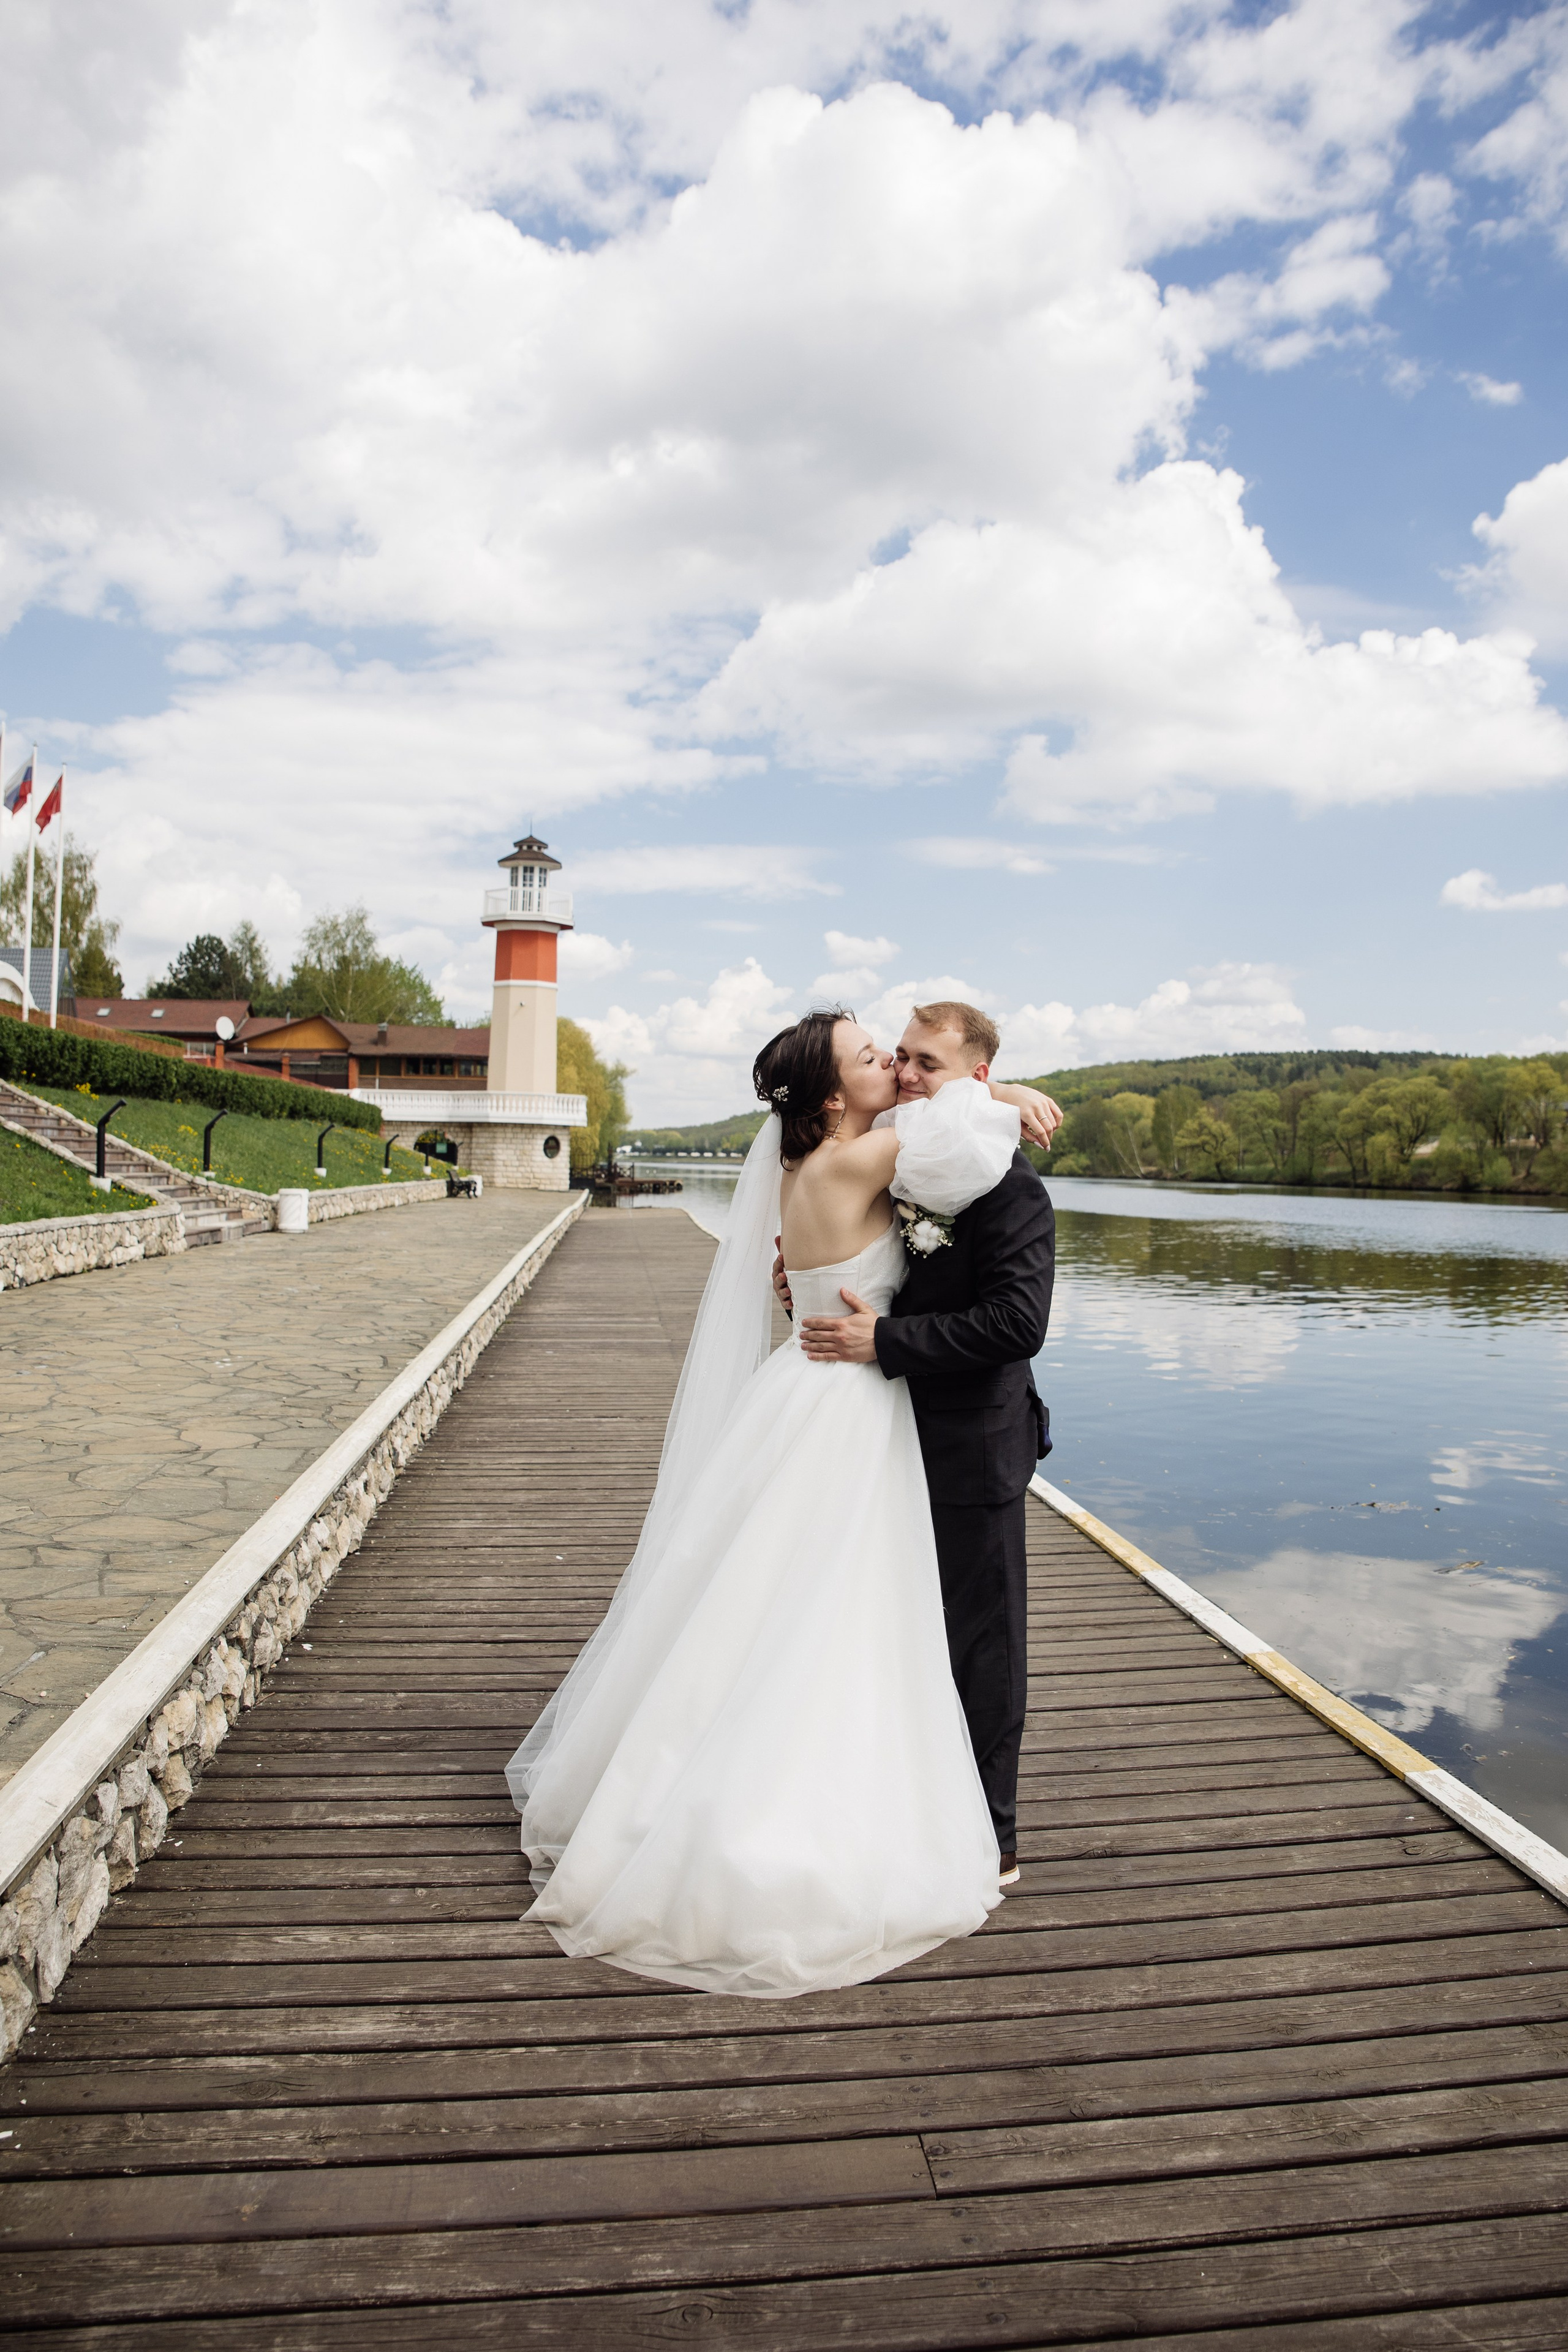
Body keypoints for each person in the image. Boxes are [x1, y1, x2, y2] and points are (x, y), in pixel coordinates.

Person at [506, 1008, 1055, 1997]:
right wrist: (1003, 1094)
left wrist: (828, 1286)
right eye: (878, 1057)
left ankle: (917, 1800)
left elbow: (966, 1260)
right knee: (836, 1610)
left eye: (911, 1058)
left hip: (835, 1399)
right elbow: (946, 1129)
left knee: (792, 1602)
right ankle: (812, 1805)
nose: (898, 1069)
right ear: (836, 1097)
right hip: (847, 1405)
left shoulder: (826, 1167)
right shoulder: (863, 1161)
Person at [782, 1001, 1057, 1885]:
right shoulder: (903, 1162)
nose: (904, 1075)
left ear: (972, 1077)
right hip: (877, 1438)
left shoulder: (1009, 1185)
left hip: (973, 1444)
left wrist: (884, 1339)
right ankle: (888, 1806)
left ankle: (992, 1836)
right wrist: (809, 1280)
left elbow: (1016, 1324)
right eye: (897, 1057)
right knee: (878, 1629)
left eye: (925, 1064)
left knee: (983, 1647)